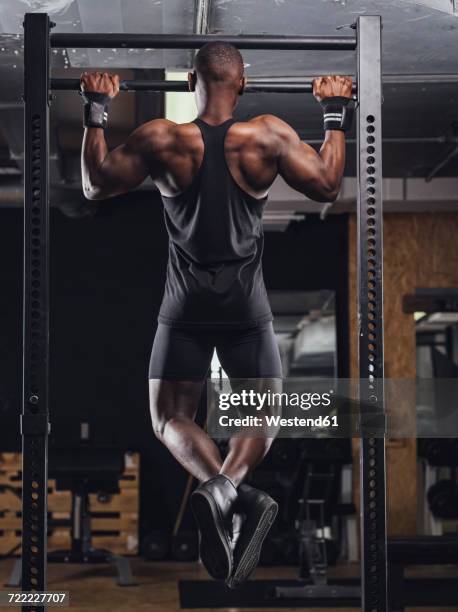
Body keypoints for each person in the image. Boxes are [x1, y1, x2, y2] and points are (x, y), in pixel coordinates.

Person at [80, 41, 352, 588]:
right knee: (263, 415)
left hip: (184, 303)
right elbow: (327, 183)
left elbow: (94, 185)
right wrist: (334, 112)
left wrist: (95, 109)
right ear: (243, 84)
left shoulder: (162, 137)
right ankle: (231, 489)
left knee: (168, 418)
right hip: (245, 304)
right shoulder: (267, 135)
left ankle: (221, 489)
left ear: (189, 85)